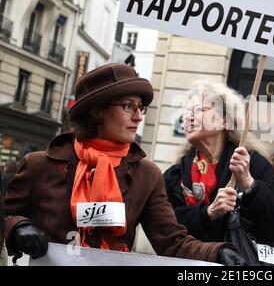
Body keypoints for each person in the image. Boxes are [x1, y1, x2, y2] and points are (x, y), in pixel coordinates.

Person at [3, 63, 243, 265]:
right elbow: (7, 215)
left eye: (141, 108)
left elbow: (171, 241)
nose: (138, 116)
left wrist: (216, 252)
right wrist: (18, 227)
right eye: (128, 106)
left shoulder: (146, 174)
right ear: (98, 112)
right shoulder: (40, 165)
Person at [164, 80, 274, 254]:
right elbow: (164, 229)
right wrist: (208, 213)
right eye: (187, 112)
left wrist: (250, 185)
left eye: (200, 110)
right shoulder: (176, 175)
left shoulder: (251, 164)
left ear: (225, 122)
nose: (188, 117)